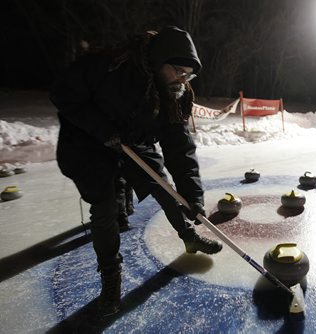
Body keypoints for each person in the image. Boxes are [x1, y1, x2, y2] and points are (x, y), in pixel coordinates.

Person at [50, 27, 223, 316]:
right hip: (89, 141)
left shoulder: (175, 93)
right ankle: (110, 277)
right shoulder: (109, 67)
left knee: (166, 187)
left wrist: (192, 197)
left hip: (131, 140)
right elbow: (62, 94)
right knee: (104, 209)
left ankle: (188, 234)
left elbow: (180, 147)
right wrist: (101, 129)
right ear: (158, 62)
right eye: (179, 71)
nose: (183, 79)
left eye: (189, 74)